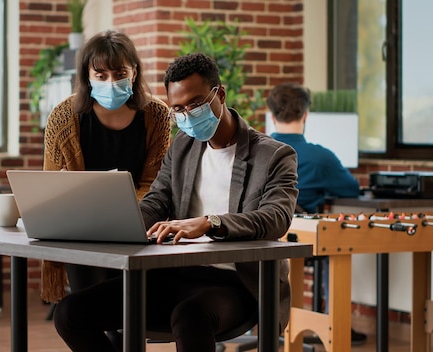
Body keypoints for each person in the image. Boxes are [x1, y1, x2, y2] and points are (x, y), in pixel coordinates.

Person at [53, 52, 299, 351]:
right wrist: (119, 223)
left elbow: (275, 218)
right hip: (173, 272)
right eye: (178, 109)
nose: (187, 116)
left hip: (235, 283)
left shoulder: (274, 155)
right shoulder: (183, 145)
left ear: (219, 94)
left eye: (195, 104)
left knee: (190, 316)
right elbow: (157, 200)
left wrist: (210, 223)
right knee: (70, 313)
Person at [41, 30, 171, 302]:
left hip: (137, 225)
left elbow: (156, 183)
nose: (111, 82)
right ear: (87, 77)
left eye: (120, 74)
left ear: (134, 73)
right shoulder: (64, 117)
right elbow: (48, 188)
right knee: (89, 308)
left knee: (127, 312)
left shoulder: (156, 114)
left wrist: (125, 212)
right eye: (101, 76)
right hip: (81, 230)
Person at [267, 82, 365, 345]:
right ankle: (337, 322)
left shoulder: (257, 150)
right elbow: (352, 189)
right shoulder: (323, 158)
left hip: (262, 238)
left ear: (273, 116)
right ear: (306, 115)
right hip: (303, 240)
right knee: (333, 247)